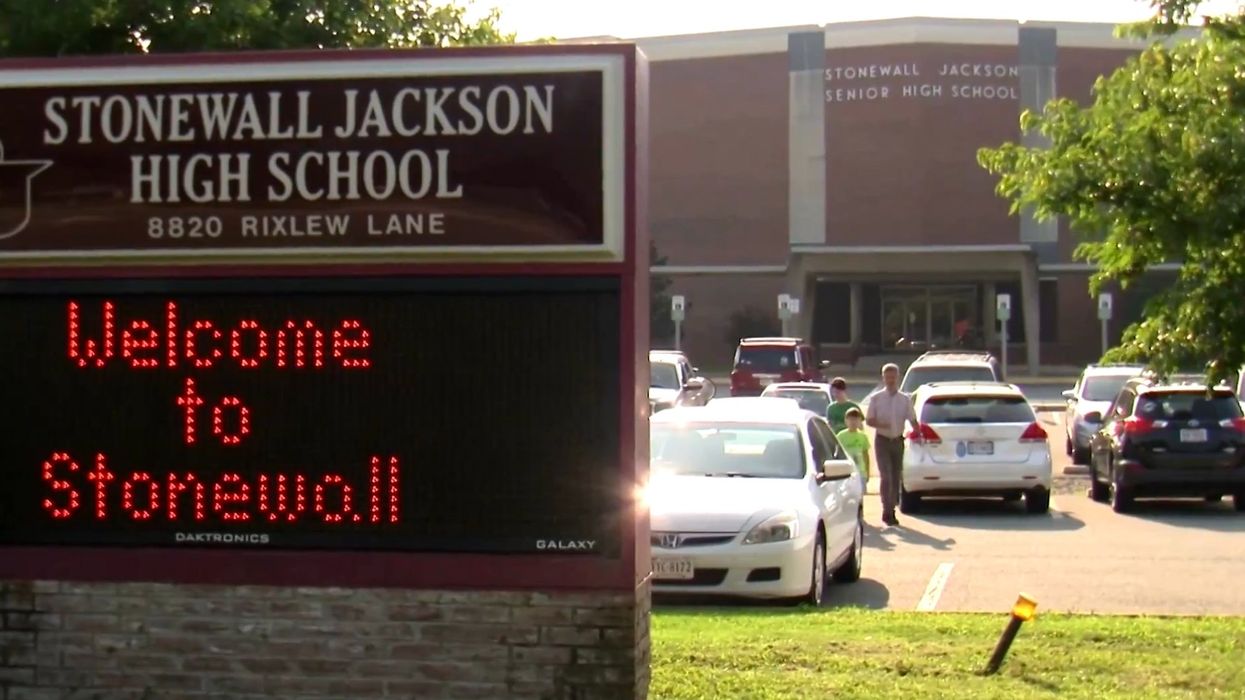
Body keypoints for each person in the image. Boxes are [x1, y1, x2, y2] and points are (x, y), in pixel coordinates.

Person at [865, 363, 918, 527]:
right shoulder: (876, 398)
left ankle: (892, 508)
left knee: (895, 477)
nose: (890, 380)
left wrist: (920, 434)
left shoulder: (905, 399)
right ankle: (886, 510)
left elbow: (912, 419)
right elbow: (869, 420)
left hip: (897, 441)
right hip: (882, 441)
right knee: (886, 476)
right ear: (883, 378)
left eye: (893, 377)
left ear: (898, 377)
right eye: (887, 377)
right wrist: (881, 424)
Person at [836, 407, 871, 493]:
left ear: (860, 421)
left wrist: (867, 472)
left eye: (856, 420)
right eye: (851, 420)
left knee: (860, 494)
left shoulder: (863, 437)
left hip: (860, 472)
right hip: (846, 471)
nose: (853, 422)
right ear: (846, 421)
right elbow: (837, 453)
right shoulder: (841, 436)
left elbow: (865, 455)